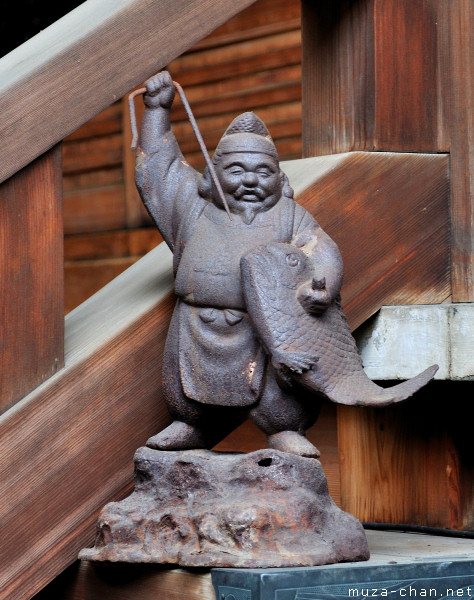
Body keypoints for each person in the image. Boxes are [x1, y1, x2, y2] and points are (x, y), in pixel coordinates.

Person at [135, 71, 343, 457]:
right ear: (213, 175)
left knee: (279, 393)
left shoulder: (290, 215)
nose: (250, 180)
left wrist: (323, 286)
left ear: (279, 179)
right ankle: (191, 425)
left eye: (262, 172)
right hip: (196, 323)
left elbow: (321, 248)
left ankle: (283, 430)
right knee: (184, 389)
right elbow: (158, 171)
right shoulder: (191, 208)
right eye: (236, 170)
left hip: (265, 328)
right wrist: (157, 110)